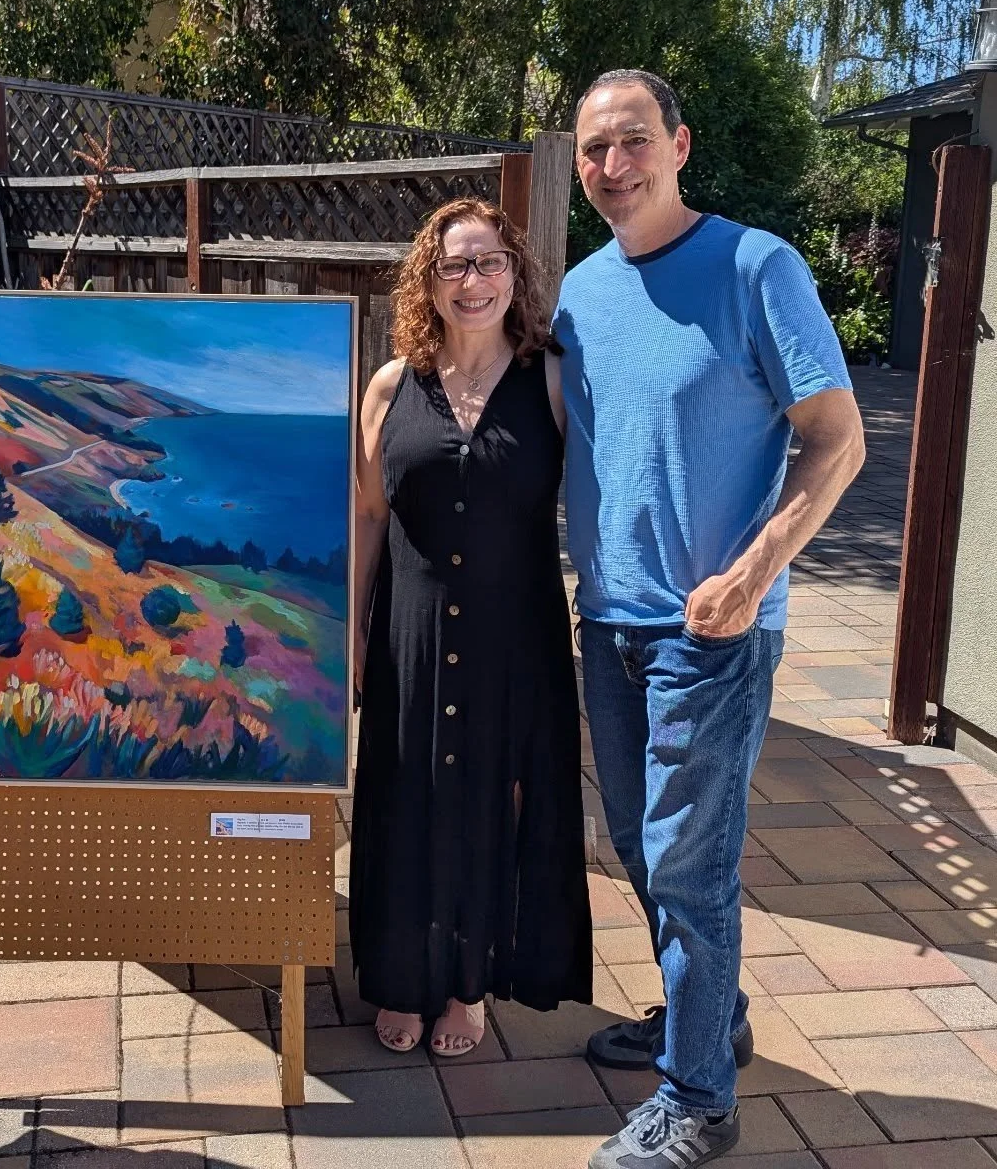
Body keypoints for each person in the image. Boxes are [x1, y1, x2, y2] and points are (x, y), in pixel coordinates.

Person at [554, 71, 866, 1169]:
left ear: (679, 145)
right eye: (594, 149)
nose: (612, 165)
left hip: (713, 634)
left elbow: (837, 438)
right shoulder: (582, 294)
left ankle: (699, 1102)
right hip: (610, 623)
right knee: (646, 854)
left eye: (633, 141)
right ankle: (708, 1019)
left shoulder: (754, 266)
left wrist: (752, 573)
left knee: (688, 863)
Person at [349, 195, 592, 1058]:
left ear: (515, 275)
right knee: (405, 800)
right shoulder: (391, 386)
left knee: (492, 805)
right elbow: (370, 516)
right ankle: (403, 980)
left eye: (489, 262)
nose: (473, 280)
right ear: (429, 280)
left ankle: (467, 984)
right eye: (454, 265)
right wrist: (351, 635)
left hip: (512, 636)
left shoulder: (553, 380)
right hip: (408, 631)